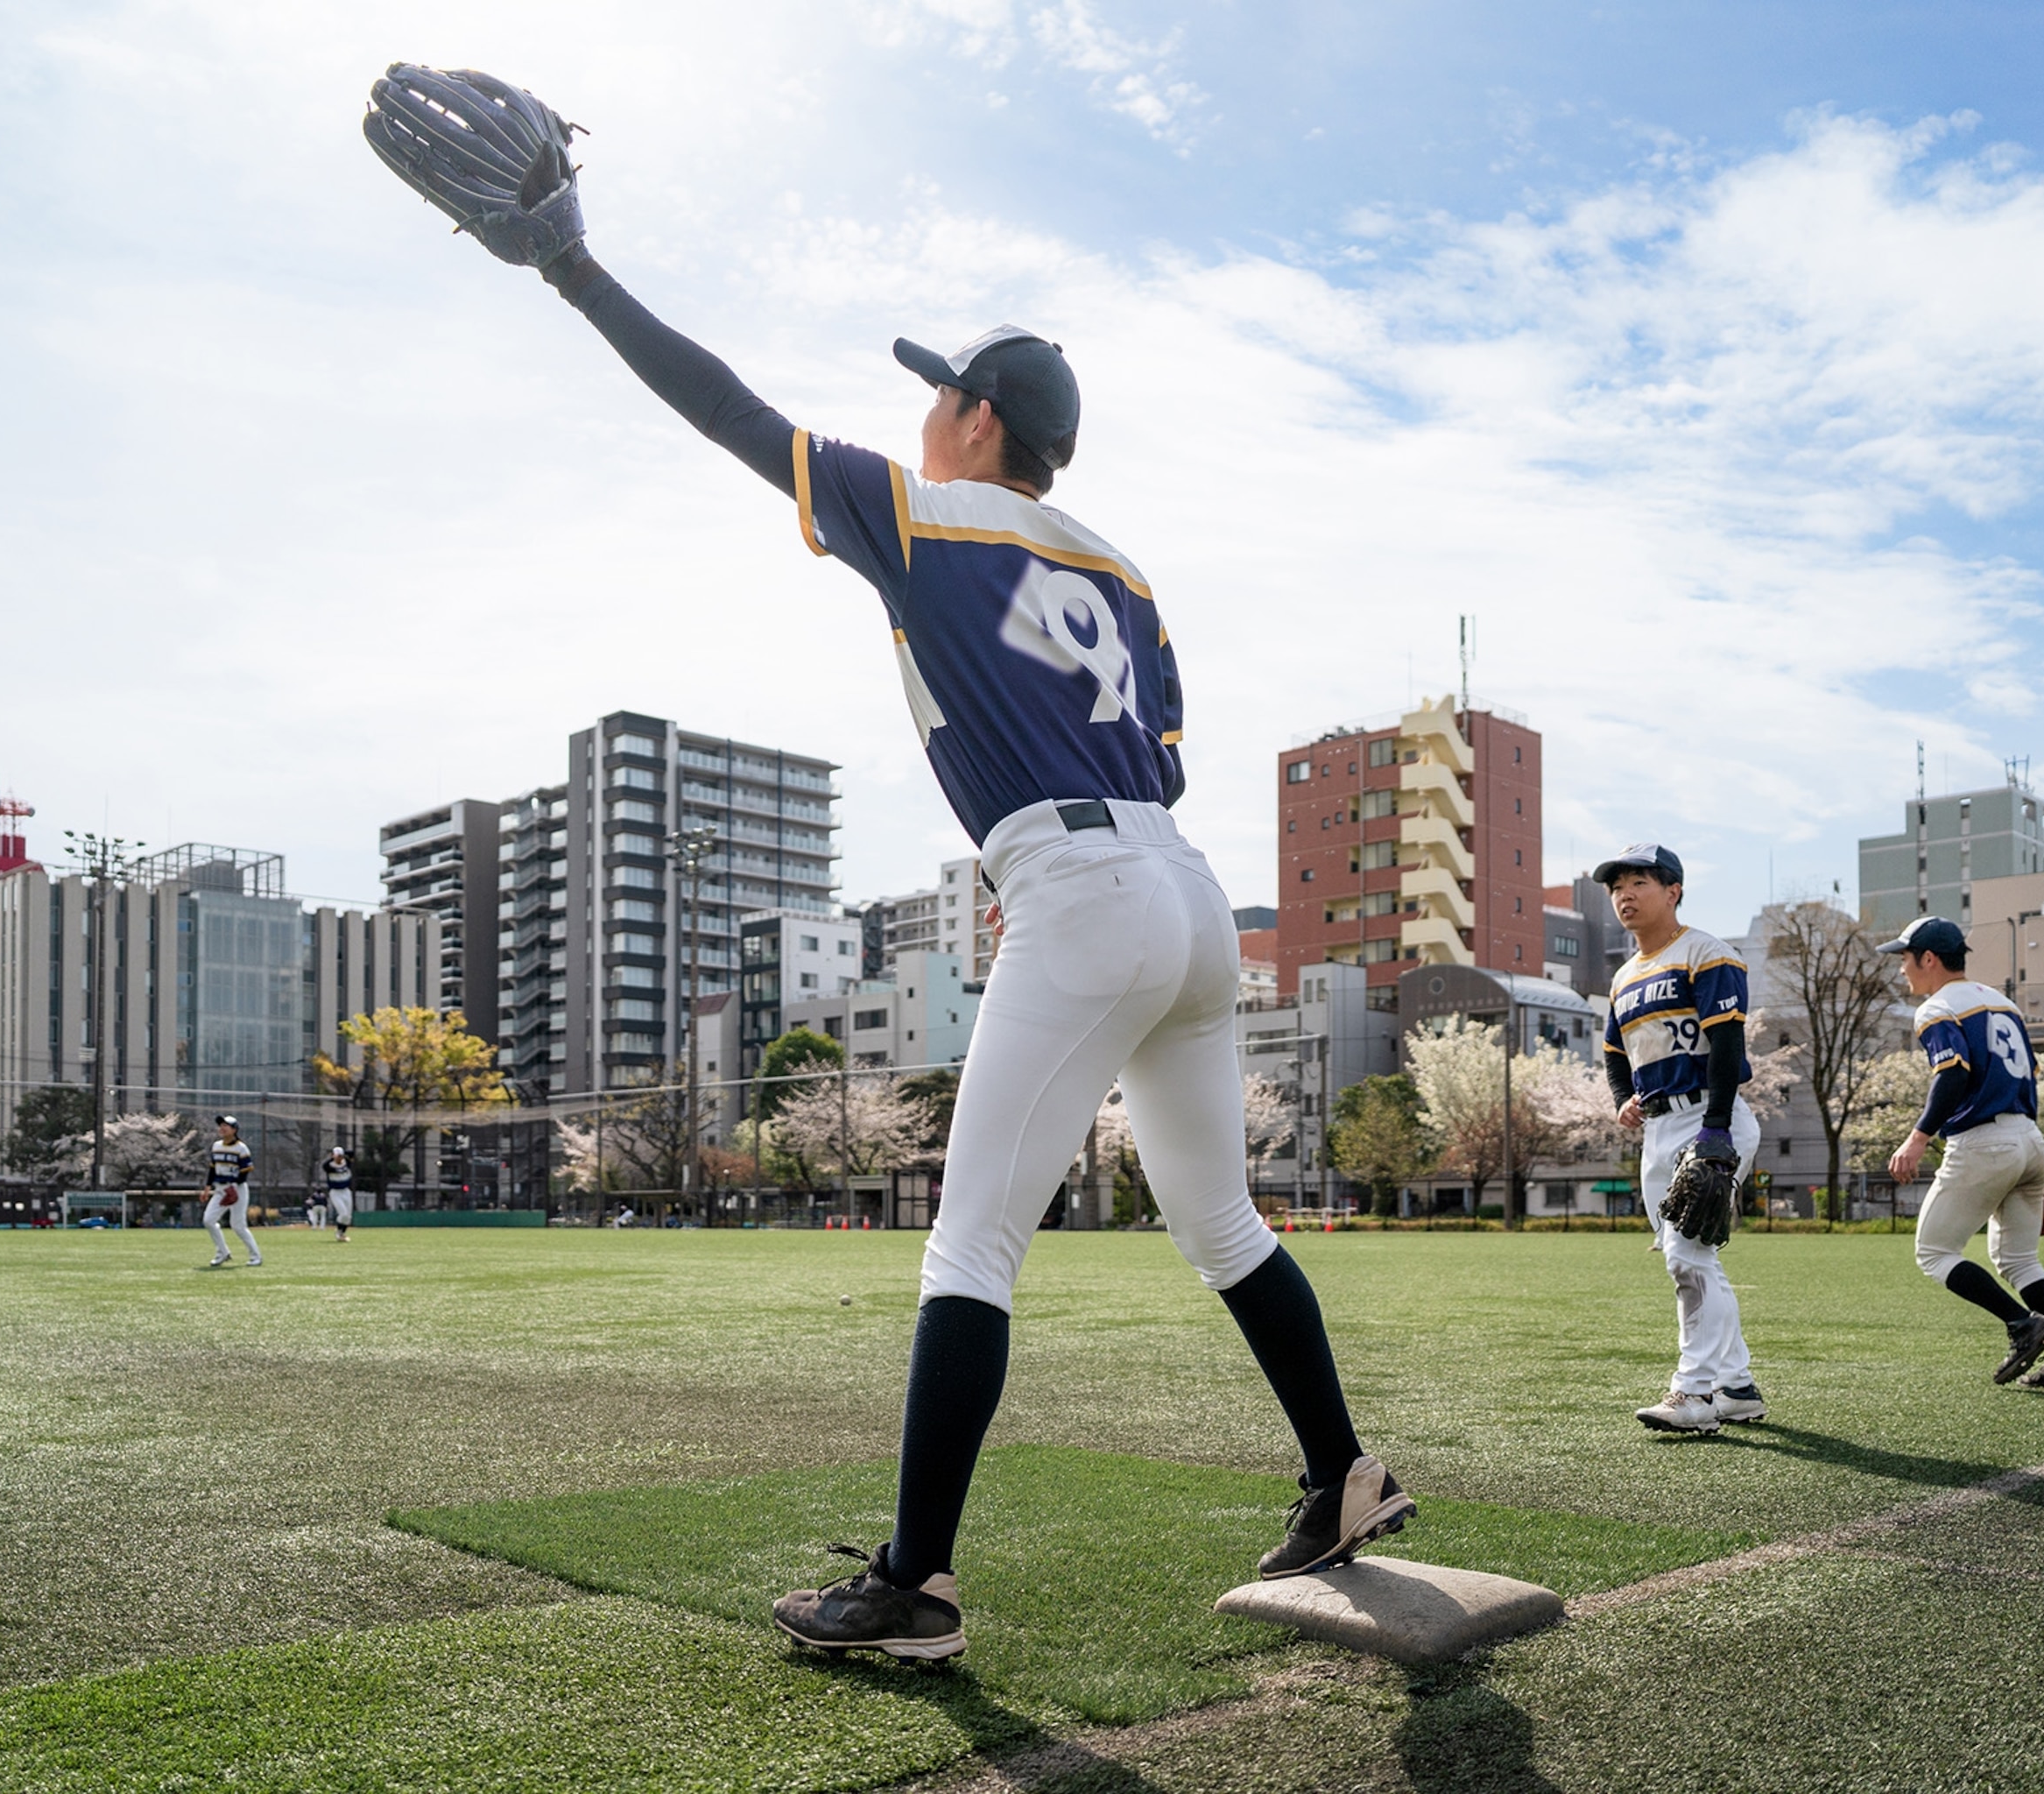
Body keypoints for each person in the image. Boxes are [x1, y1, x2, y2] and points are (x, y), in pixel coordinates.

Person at [363, 63, 1414, 1661]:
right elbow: (1166, 757)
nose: (928, 406)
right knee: (1222, 1222)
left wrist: (574, 267)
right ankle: (1344, 1472)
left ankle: (914, 1584)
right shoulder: (1123, 569)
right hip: (1186, 897)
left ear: (980, 420)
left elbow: (727, 410)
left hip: (1083, 891)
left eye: (944, 391)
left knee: (971, 1244)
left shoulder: (925, 509)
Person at [1597, 845, 1765, 1434]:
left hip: (1709, 1118)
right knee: (1695, 1261)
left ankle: (1693, 1394)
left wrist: (1717, 1128)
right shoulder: (1622, 977)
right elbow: (1615, 1054)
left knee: (1686, 1255)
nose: (1624, 893)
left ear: (1673, 891)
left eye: (1638, 881)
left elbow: (1726, 1048)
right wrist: (1622, 1097)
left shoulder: (1706, 952)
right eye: (1616, 885)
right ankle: (1737, 1386)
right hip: (1659, 1130)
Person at [1882, 917, 2044, 1391]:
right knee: (2021, 1261)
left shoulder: (1938, 1007)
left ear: (1928, 959)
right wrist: (2024, 1146)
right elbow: (2029, 1075)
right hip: (2029, 1137)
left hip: (1983, 1141)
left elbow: (1952, 1073)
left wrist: (1917, 1138)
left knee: (1934, 1252)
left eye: (1904, 959)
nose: (1902, 971)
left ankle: (2022, 1324)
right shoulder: (2003, 1002)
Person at [201, 1116, 260, 1269]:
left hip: (237, 1189)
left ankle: (256, 1256)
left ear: (234, 1130)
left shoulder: (241, 1148)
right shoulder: (216, 1146)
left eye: (226, 1126)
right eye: (221, 1125)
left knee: (238, 1225)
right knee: (208, 1220)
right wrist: (207, 1188)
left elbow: (245, 1171)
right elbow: (212, 1169)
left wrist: (233, 1186)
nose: (222, 1128)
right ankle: (223, 1252)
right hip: (220, 1189)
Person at [324, 1147, 356, 1243]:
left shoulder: (346, 1162)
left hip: (346, 1191)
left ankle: (342, 1234)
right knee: (343, 1214)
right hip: (335, 1192)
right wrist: (334, 1156)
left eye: (340, 1156)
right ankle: (338, 1232)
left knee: (348, 1217)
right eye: (337, 1156)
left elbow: (352, 1153)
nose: (339, 1158)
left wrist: (343, 1153)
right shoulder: (329, 1166)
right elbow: (324, 1166)